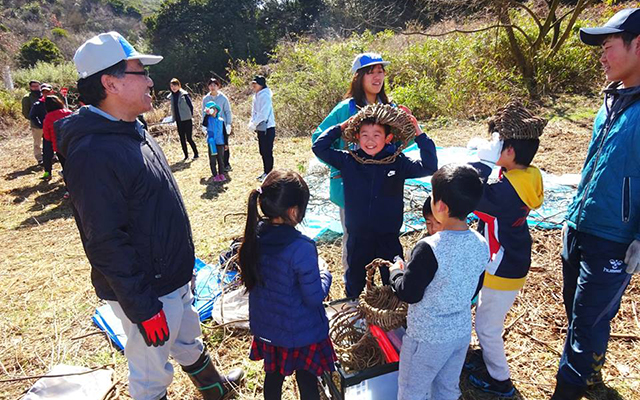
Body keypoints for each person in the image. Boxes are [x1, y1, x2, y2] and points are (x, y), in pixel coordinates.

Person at [56, 31, 244, 400]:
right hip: (148, 290)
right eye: (139, 71)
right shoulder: (93, 152)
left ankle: (214, 388)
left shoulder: (130, 128)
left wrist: (182, 267)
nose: (150, 80)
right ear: (110, 82)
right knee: (150, 374)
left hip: (171, 275)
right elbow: (105, 241)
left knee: (187, 337)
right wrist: (143, 307)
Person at [551, 9, 640, 400]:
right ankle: (590, 373)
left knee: (585, 325)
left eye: (608, 47)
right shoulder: (611, 100)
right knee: (579, 314)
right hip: (581, 226)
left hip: (615, 238)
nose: (602, 57)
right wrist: (572, 218)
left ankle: (566, 390)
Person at [463, 101, 545, 397]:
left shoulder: (505, 193)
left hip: (503, 266)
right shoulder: (524, 176)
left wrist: (481, 162)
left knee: (486, 326)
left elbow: (470, 191)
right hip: (507, 259)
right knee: (485, 313)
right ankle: (486, 359)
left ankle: (501, 381)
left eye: (496, 143)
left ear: (509, 151)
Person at [312, 104, 438, 297]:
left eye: (377, 135)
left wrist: (419, 132)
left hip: (388, 238)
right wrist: (343, 126)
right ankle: (356, 315)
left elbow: (429, 166)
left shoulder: (398, 162)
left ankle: (394, 317)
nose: (370, 141)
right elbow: (319, 147)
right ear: (356, 137)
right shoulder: (349, 161)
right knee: (355, 282)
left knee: (394, 282)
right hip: (358, 238)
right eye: (364, 135)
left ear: (388, 138)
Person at [390, 164, 488, 400]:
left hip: (427, 338)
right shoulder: (480, 241)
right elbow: (475, 286)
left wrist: (396, 273)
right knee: (446, 388)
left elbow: (410, 293)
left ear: (440, 206)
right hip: (460, 333)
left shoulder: (430, 248)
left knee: (411, 391)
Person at [238, 169, 335, 400]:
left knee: (273, 376)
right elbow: (313, 297)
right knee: (307, 380)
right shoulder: (302, 247)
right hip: (302, 333)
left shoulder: (254, 236)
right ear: (293, 211)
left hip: (269, 331)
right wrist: (325, 274)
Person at [311, 52, 392, 285]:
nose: (378, 76)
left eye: (381, 71)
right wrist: (342, 165)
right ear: (359, 77)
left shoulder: (388, 107)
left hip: (383, 185)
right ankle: (355, 288)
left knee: (385, 236)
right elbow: (319, 138)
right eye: (371, 72)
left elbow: (403, 141)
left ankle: (387, 289)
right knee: (354, 239)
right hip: (352, 189)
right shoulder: (345, 109)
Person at [42, 95, 72, 196]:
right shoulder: (68, 112)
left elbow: (47, 136)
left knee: (66, 168)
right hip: (74, 144)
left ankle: (70, 190)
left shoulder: (48, 118)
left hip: (60, 148)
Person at [247, 75, 275, 181]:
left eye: (256, 84)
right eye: (253, 83)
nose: (253, 85)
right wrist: (252, 122)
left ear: (261, 85)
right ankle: (266, 172)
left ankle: (269, 173)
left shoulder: (265, 95)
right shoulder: (256, 96)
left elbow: (264, 113)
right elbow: (254, 112)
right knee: (262, 150)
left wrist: (254, 123)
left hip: (268, 127)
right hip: (260, 127)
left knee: (267, 150)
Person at [202, 78, 233, 171]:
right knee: (213, 145)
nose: (212, 87)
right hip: (211, 126)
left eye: (214, 85)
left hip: (221, 125)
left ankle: (226, 164)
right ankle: (215, 166)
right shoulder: (206, 99)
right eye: (211, 85)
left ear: (218, 86)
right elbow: (204, 112)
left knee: (224, 144)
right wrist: (204, 125)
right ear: (208, 87)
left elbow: (227, 111)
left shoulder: (223, 98)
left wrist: (228, 124)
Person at [169, 78, 199, 160]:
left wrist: (190, 116)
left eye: (175, 85)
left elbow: (191, 106)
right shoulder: (171, 96)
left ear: (179, 86)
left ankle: (196, 153)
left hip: (187, 119)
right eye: (172, 86)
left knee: (189, 138)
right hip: (178, 120)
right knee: (182, 138)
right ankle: (186, 155)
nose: (173, 87)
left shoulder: (184, 95)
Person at [29, 83, 53, 172]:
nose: (46, 93)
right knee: (39, 143)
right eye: (44, 92)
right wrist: (40, 124)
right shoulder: (38, 103)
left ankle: (53, 156)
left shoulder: (55, 101)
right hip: (40, 127)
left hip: (53, 128)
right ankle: (41, 160)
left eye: (48, 91)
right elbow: (31, 115)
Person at [202, 101, 228, 182]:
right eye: (210, 109)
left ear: (217, 110)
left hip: (220, 142)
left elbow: (224, 133)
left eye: (214, 109)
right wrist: (207, 113)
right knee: (212, 160)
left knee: (220, 159)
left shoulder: (221, 120)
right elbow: (204, 124)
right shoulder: (207, 119)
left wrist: (226, 143)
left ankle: (221, 174)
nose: (213, 111)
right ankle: (215, 175)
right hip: (212, 143)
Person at [22, 80, 42, 164]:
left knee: (49, 141)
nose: (36, 88)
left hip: (47, 122)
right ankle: (39, 158)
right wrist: (34, 120)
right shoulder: (27, 98)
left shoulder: (43, 95)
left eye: (37, 86)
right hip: (36, 124)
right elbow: (26, 112)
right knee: (37, 143)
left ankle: (51, 156)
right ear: (30, 87)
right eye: (34, 86)